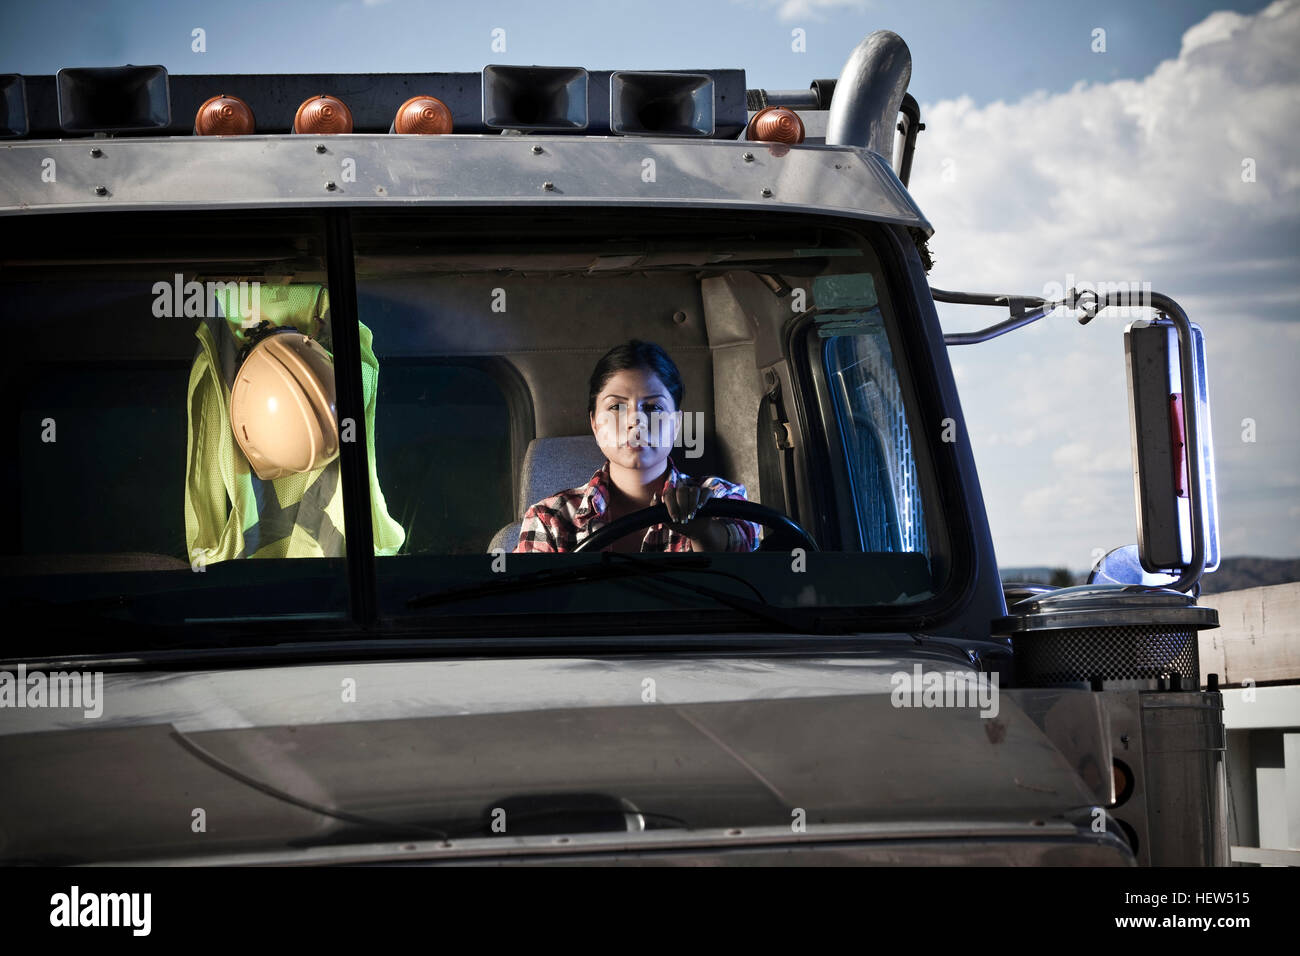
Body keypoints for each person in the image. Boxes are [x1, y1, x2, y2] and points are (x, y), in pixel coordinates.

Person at [514, 340, 760, 553]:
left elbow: (745, 555)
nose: (636, 421)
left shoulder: (720, 498)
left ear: (676, 425)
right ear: (595, 424)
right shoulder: (550, 519)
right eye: (616, 407)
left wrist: (704, 531)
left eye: (653, 408)